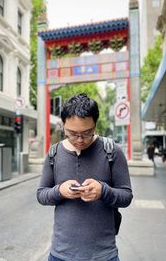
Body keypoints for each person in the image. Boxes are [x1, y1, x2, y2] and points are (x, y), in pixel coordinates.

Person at [37, 93, 133, 261]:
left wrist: (103, 191)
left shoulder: (112, 151)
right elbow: (41, 194)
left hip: (104, 255)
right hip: (60, 254)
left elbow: (126, 197)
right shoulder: (54, 153)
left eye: (87, 133)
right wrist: (60, 191)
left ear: (95, 124)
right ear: (63, 125)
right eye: (72, 133)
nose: (80, 140)